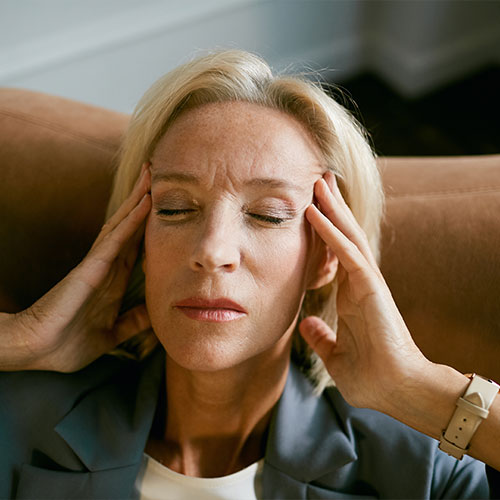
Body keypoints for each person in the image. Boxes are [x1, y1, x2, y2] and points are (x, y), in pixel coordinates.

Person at [0, 50, 498, 499]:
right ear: (139, 240)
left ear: (326, 257)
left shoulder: (426, 473)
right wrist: (20, 340)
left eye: (267, 215)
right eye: (175, 208)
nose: (212, 251)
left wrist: (423, 391)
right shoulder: (18, 417)